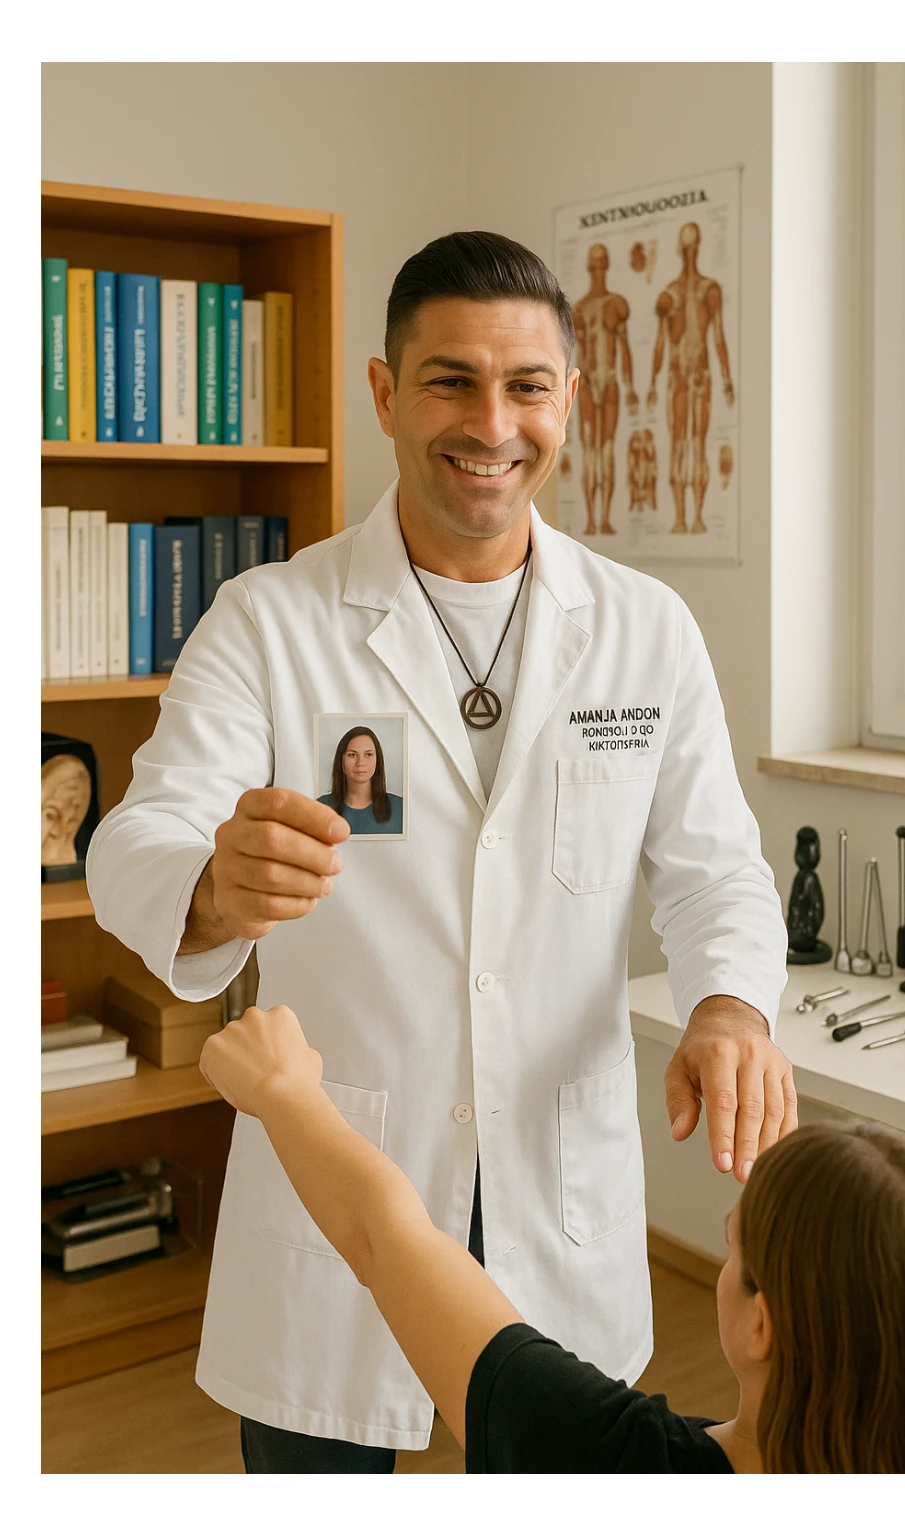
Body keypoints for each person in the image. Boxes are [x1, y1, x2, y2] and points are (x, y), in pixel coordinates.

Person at [86, 229, 792, 1473]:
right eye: (449, 380)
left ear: (569, 399)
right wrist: (208, 886)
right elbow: (134, 836)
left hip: (551, 1181)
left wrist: (730, 1005)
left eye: (525, 386)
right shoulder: (270, 620)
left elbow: (713, 867)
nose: (492, 422)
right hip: (342, 1174)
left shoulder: (645, 632)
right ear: (383, 393)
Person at [199, 1002, 905, 1474]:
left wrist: (282, 1088)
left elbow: (385, 1236)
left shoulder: (606, 1458)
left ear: (761, 1323)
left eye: (732, 1247)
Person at [647, 222, 735, 535]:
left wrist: (726, 379)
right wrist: (652, 383)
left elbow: (719, 337)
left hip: (698, 375)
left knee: (695, 444)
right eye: (689, 246)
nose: (690, 251)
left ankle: (695, 517)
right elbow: (659, 342)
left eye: (692, 246)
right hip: (678, 378)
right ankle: (682, 518)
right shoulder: (668, 296)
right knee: (680, 445)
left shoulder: (708, 291)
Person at [572, 243, 639, 536]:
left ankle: (605, 518)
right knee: (590, 451)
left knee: (607, 449)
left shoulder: (616, 305)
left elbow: (624, 349)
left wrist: (631, 386)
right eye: (595, 263)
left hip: (609, 380)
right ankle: (591, 520)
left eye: (601, 263)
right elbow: (574, 354)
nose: (598, 268)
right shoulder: (579, 310)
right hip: (587, 383)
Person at [317, 725, 404, 835]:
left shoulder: (401, 808)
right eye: (352, 755)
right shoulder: (321, 808)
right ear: (341, 762)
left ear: (378, 760)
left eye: (368, 754)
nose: (360, 763)